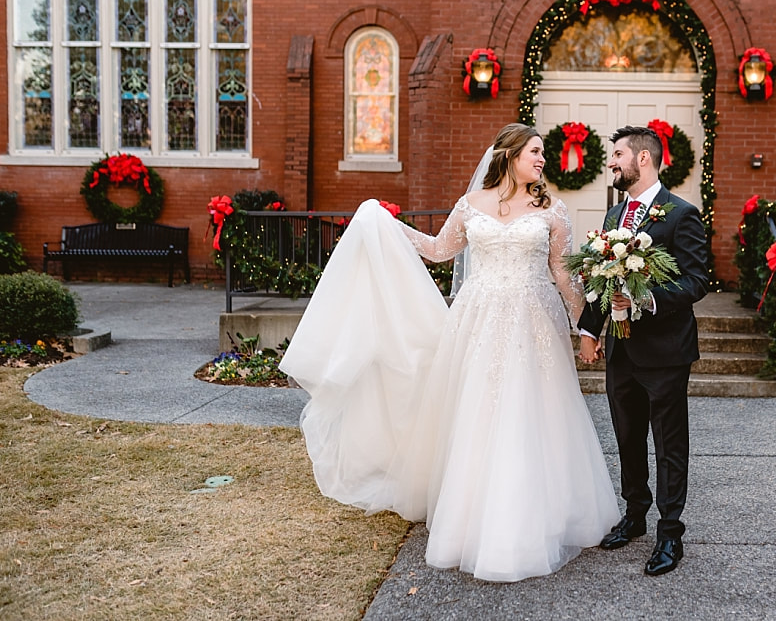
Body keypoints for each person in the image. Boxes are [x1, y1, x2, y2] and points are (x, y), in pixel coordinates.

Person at [280, 123, 619, 583]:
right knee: (478, 412)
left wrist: (586, 327)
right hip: (477, 323)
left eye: (543, 153)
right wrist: (386, 224)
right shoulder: (471, 205)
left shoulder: (551, 209)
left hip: (533, 324)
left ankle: (540, 513)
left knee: (537, 412)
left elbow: (563, 275)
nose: (543, 159)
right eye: (535, 151)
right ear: (510, 155)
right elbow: (440, 251)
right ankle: (471, 514)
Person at [577, 125, 710, 576]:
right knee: (628, 438)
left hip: (665, 352)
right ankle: (634, 516)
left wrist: (647, 300)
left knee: (669, 444)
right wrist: (590, 329)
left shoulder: (680, 214)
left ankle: (670, 532)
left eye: (617, 155)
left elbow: (696, 281)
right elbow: (602, 277)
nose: (611, 162)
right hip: (621, 351)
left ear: (643, 160)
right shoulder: (614, 218)